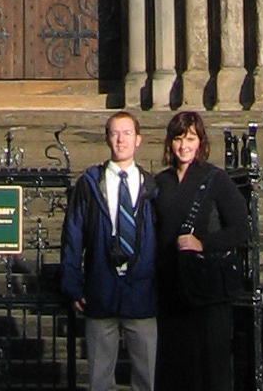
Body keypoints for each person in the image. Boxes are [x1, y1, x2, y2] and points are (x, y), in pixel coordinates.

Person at [151, 108, 250, 391]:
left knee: (210, 370)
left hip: (207, 292)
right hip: (171, 291)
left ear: (201, 143)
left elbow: (240, 228)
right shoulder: (160, 183)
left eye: (191, 139)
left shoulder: (215, 179)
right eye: (179, 138)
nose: (184, 146)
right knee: (174, 370)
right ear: (170, 143)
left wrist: (203, 244)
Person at [60, 108, 158, 391]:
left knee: (146, 378)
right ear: (107, 139)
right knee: (100, 380)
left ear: (138, 139)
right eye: (115, 133)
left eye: (127, 133)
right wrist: (72, 283)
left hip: (141, 294)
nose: (121, 140)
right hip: (101, 290)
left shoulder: (151, 186)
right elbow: (73, 234)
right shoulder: (90, 184)